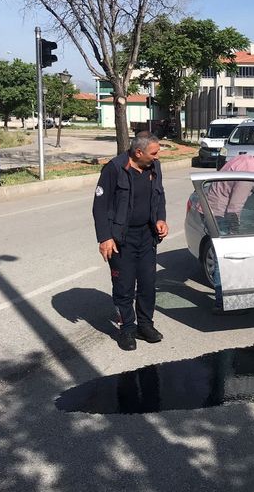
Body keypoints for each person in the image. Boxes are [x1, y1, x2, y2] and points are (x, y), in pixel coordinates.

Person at [92, 131, 169, 351]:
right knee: (124, 286)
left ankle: (145, 325)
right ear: (138, 152)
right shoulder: (114, 168)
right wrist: (105, 237)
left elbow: (159, 194)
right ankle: (126, 329)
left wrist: (161, 218)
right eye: (153, 153)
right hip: (121, 238)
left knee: (147, 284)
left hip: (147, 236)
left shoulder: (155, 166)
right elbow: (100, 206)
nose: (157, 156)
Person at [203, 144, 254, 313]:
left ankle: (223, 301)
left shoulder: (244, 159)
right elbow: (234, 207)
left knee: (221, 259)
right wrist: (235, 233)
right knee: (225, 259)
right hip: (220, 215)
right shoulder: (250, 174)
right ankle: (223, 303)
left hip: (211, 209)